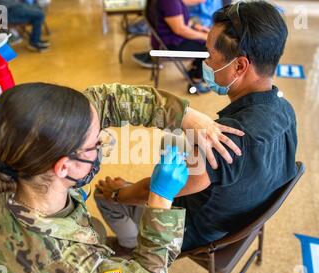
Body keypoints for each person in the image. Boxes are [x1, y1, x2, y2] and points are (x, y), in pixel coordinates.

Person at [0, 83, 243, 273]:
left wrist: (185, 116)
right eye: (96, 144)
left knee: (99, 232)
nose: (103, 143)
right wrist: (160, 198)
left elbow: (98, 102)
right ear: (64, 167)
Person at [96, 1, 298, 252]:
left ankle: (129, 246)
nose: (206, 62)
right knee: (175, 141)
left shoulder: (223, 142)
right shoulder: (286, 111)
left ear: (239, 66)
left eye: (210, 55)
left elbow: (155, 190)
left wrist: (119, 194)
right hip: (241, 215)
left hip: (196, 231)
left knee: (103, 195)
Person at [133, 0, 211, 93]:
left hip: (167, 40)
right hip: (169, 45)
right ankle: (195, 81)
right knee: (207, 47)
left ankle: (193, 72)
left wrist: (197, 27)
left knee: (204, 42)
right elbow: (180, 29)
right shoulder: (169, 2)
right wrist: (204, 36)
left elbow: (181, 19)